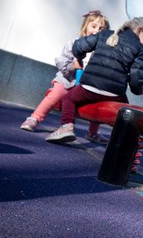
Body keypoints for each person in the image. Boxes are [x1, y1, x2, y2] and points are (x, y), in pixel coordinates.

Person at [45, 17, 143, 144]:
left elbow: (79, 46)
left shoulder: (105, 34)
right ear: (139, 30)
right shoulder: (140, 50)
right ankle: (124, 140)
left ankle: (66, 127)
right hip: (114, 93)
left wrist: (80, 57)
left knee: (68, 99)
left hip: (89, 87)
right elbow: (136, 76)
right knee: (126, 112)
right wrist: (138, 90)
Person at [20, 10, 111, 144]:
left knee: (97, 103)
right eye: (93, 26)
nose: (97, 31)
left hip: (86, 85)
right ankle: (35, 118)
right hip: (68, 79)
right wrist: (72, 66)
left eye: (101, 29)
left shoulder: (102, 51)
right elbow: (61, 61)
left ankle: (93, 132)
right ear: (85, 26)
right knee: (55, 93)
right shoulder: (74, 43)